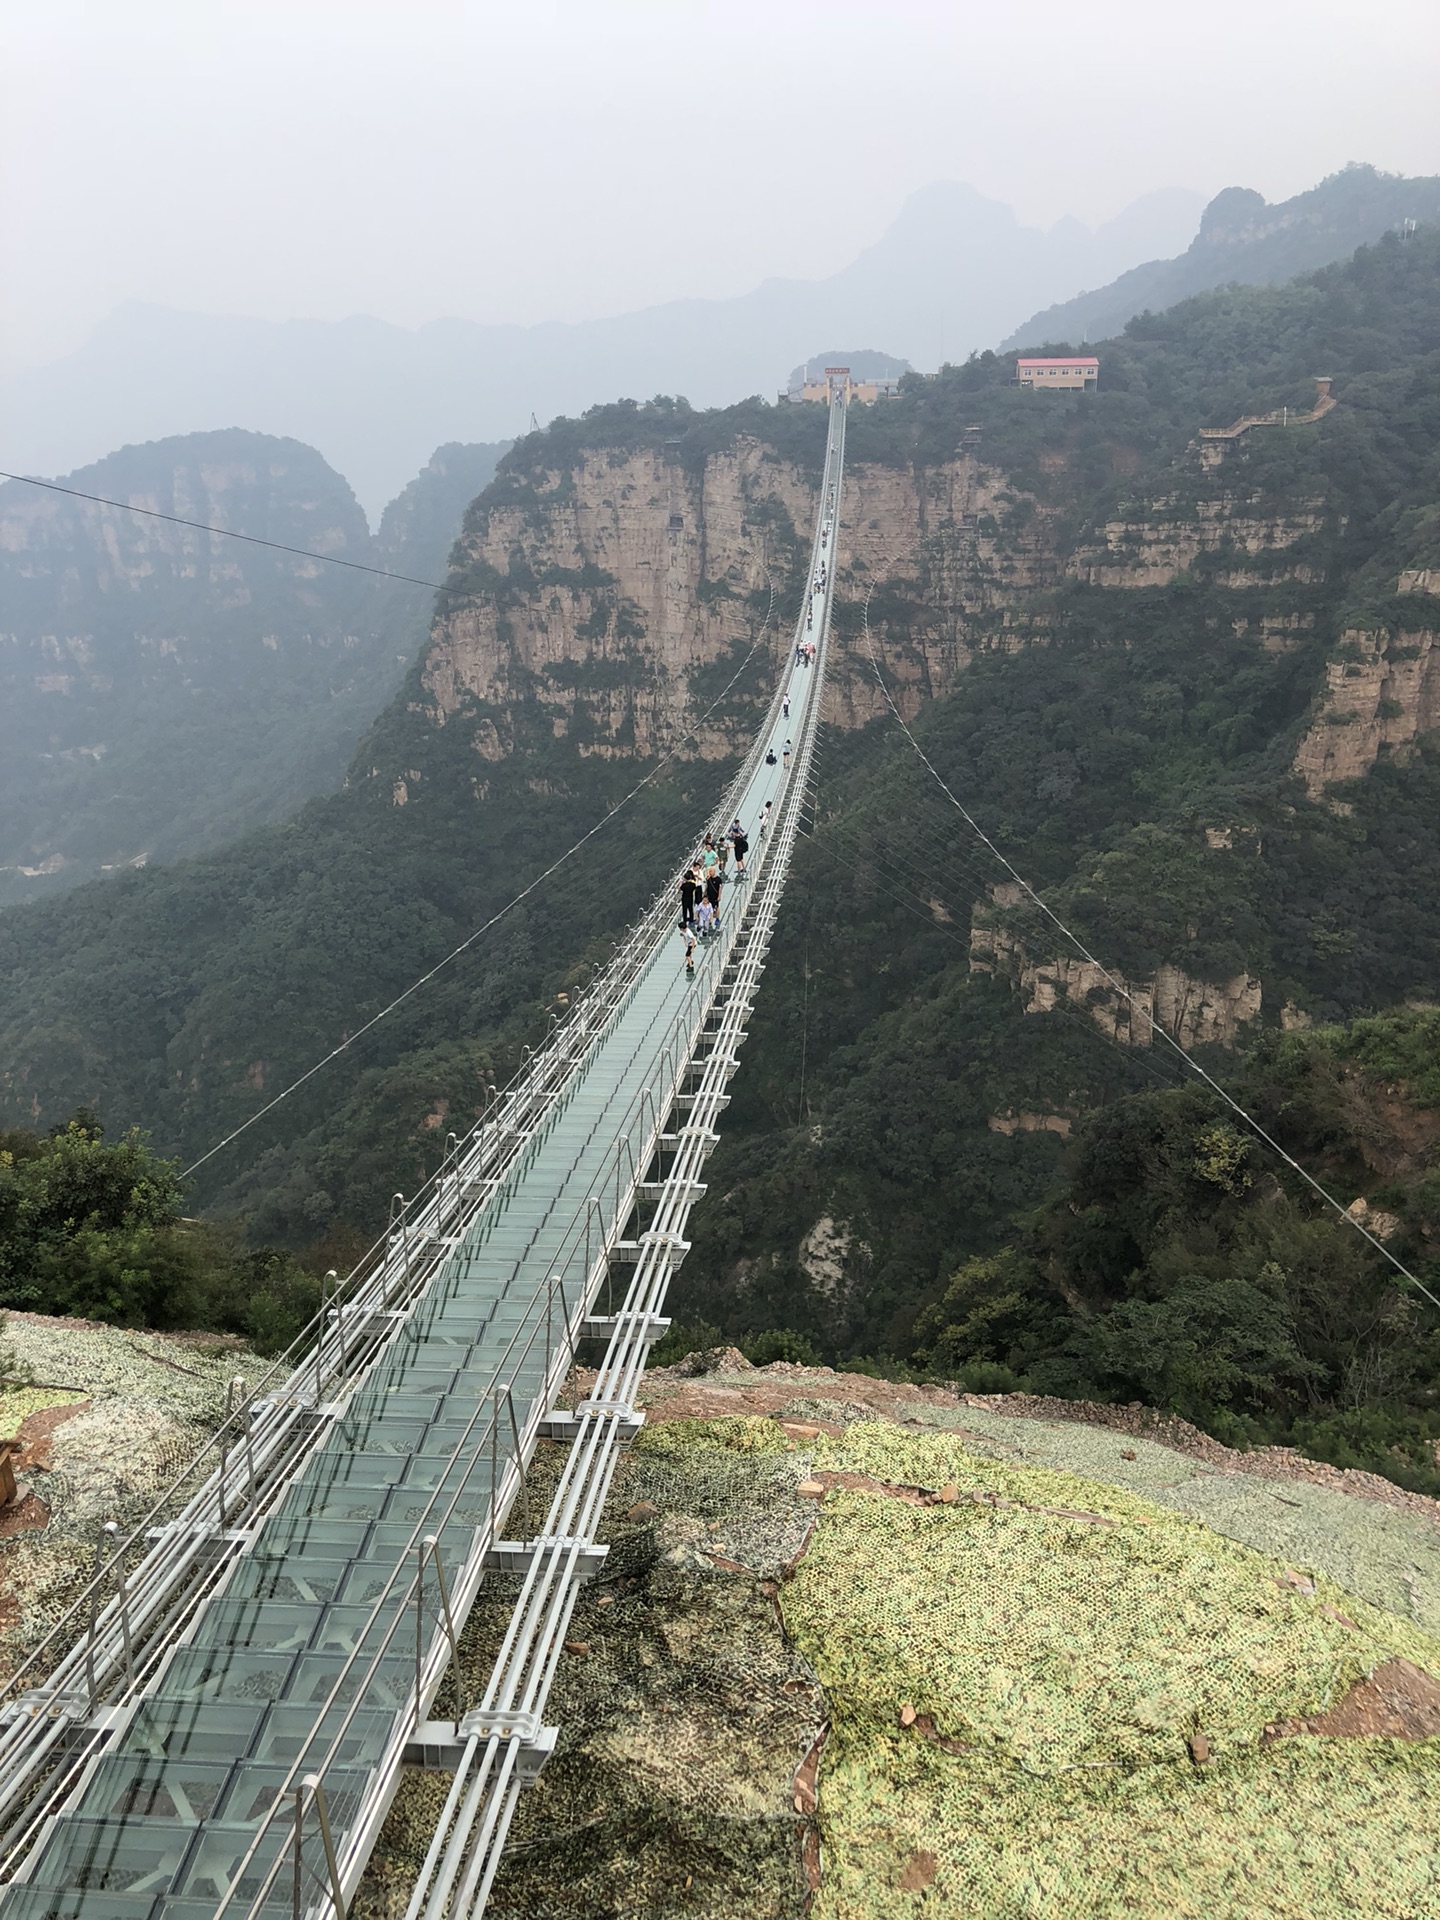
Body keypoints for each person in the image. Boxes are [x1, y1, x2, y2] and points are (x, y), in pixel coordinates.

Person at [679, 866, 700, 932]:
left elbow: (681, 888)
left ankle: (685, 920)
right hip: (690, 897)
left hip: (684, 898)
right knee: (690, 909)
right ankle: (691, 920)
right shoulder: (692, 884)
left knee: (684, 910)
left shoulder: (684, 885)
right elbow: (694, 888)